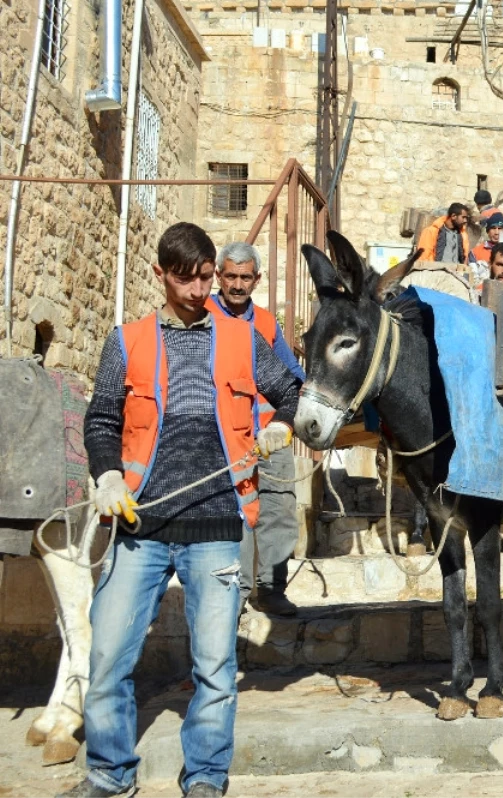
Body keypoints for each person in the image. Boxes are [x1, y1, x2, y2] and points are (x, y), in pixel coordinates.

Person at [62, 222, 300, 798]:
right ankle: (110, 773)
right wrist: (109, 474)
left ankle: (205, 778)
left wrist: (282, 424)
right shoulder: (128, 340)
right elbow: (101, 419)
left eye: (206, 277)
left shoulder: (244, 340)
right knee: (109, 656)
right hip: (140, 525)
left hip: (218, 525)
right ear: (160, 274)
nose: (199, 290)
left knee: (216, 669)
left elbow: (293, 390)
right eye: (186, 278)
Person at [206, 241, 306, 617]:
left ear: (257, 280)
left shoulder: (264, 322)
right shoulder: (202, 315)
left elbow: (291, 374)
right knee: (234, 513)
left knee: (278, 507)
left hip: (270, 432)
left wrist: (306, 397)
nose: (236, 284)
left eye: (245, 277)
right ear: (218, 276)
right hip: (224, 435)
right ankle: (238, 590)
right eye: (230, 276)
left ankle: (270, 588)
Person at [469, 213, 503, 285]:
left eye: (500, 228)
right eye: (493, 228)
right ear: (488, 231)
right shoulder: (475, 252)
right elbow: (474, 279)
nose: (497, 232)